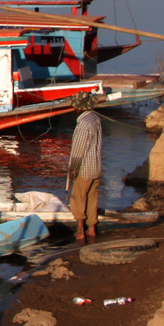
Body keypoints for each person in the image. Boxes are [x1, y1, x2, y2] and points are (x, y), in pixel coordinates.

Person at [68, 98, 104, 242]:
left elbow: (78, 150)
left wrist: (73, 168)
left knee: (79, 198)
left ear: (79, 108)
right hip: (96, 165)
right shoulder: (96, 118)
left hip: (85, 168)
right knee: (92, 198)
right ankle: (92, 228)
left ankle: (80, 230)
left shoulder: (83, 123)